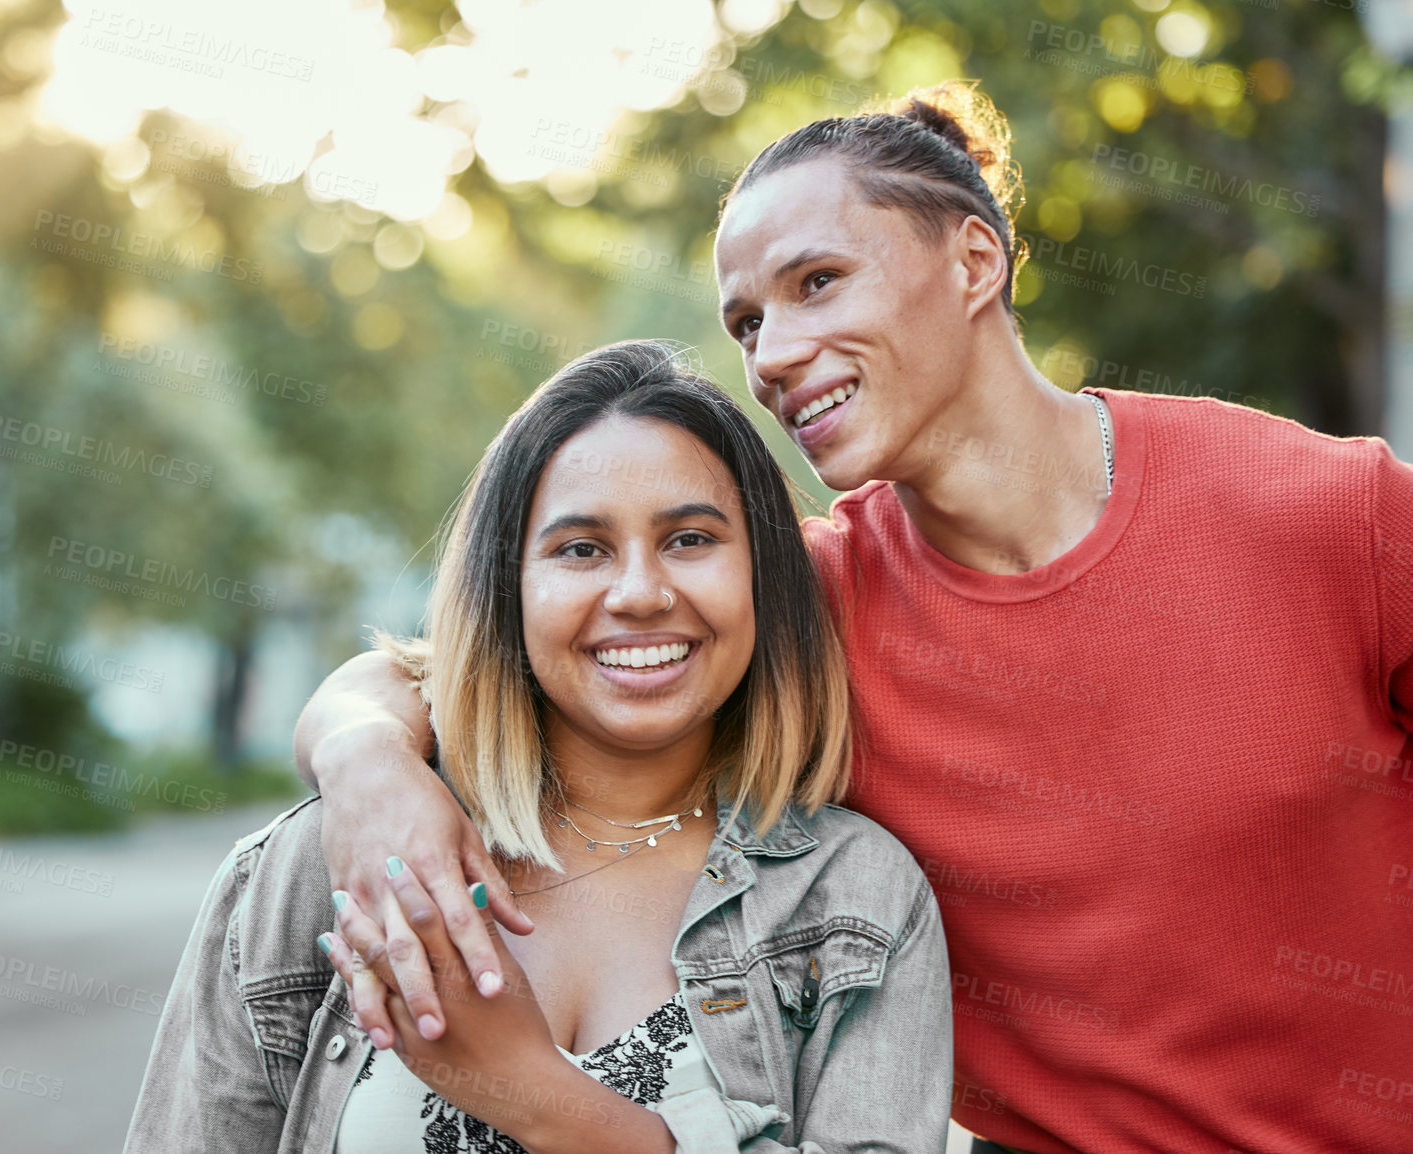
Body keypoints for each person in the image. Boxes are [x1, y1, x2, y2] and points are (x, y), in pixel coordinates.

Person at [294, 81, 1413, 1154]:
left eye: (817, 281)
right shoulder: (803, 606)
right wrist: (366, 765)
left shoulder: (1327, 513)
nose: (771, 357)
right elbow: (449, 665)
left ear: (975, 258)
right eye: (745, 319)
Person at [127, 341, 954, 1154]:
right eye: (580, 548)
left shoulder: (855, 903)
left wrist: (536, 1096)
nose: (638, 593)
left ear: (763, 577)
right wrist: (364, 752)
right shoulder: (325, 864)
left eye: (690, 539)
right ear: (508, 588)